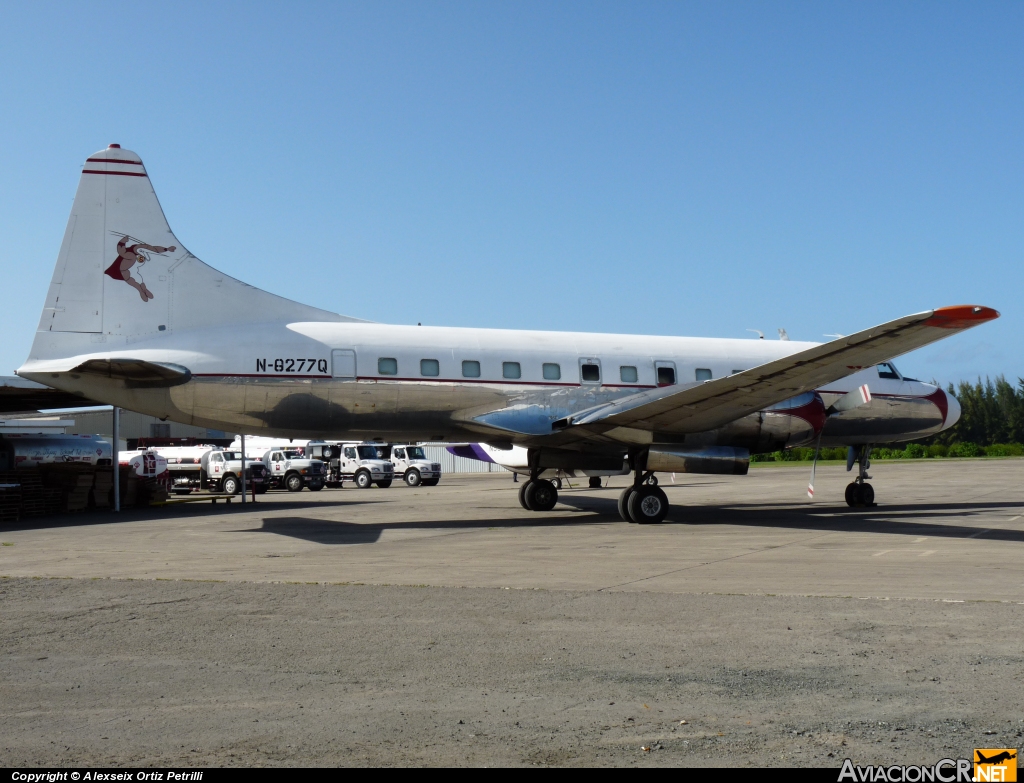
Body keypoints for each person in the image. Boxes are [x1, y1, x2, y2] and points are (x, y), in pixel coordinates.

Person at [103, 236, 176, 301]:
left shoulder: (141, 251)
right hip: (121, 272)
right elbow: (121, 251)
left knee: (139, 279)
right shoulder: (130, 255)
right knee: (135, 282)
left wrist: (167, 249)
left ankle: (144, 290)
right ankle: (141, 290)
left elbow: (154, 249)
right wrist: (122, 241)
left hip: (132, 270)